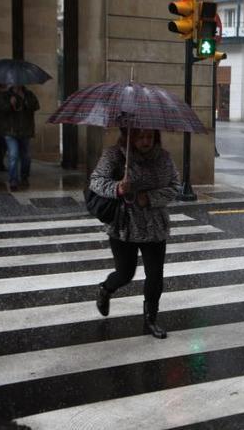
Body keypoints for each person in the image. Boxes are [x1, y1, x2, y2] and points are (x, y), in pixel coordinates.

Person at [90, 128, 181, 339]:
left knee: (155, 275)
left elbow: (175, 186)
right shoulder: (114, 155)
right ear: (130, 136)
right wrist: (117, 189)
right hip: (123, 226)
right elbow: (95, 181)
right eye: (140, 136)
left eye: (149, 136)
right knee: (125, 273)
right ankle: (105, 289)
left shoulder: (164, 158)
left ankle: (151, 318)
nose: (145, 141)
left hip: (154, 226)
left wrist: (148, 198)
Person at [0, 85, 39, 190]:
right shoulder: (5, 95)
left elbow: (36, 106)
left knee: (25, 157)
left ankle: (24, 176)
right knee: (13, 155)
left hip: (25, 131)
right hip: (10, 131)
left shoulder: (29, 94)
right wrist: (10, 104)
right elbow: (0, 110)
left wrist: (25, 100)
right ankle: (13, 180)